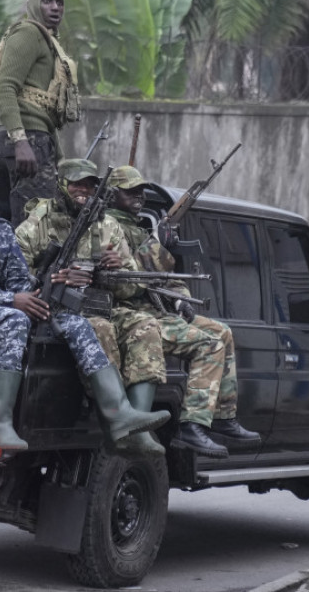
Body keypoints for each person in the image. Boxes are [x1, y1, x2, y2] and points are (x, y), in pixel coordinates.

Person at [0, 159, 168, 451]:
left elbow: (19, 279)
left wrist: (41, 292)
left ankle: (118, 413)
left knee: (73, 320)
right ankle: (0, 423)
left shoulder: (3, 230)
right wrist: (11, 300)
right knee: (15, 320)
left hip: (1, 307)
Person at [106, 166, 262, 455]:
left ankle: (224, 417)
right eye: (130, 191)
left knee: (222, 332)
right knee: (209, 345)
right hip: (128, 312)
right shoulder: (107, 227)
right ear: (112, 195)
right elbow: (128, 279)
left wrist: (181, 300)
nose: (138, 196)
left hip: (155, 309)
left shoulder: (138, 227)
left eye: (140, 191)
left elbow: (168, 278)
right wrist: (159, 246)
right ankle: (192, 427)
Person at [0, 0, 81, 226]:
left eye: (59, 2)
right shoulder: (29, 33)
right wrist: (20, 141)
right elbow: (3, 88)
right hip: (24, 140)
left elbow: (43, 110)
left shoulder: (47, 41)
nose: (55, 8)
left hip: (34, 139)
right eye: (47, 1)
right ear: (32, 4)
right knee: (35, 226)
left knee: (10, 225)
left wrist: (55, 153)